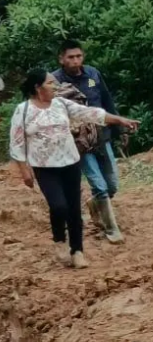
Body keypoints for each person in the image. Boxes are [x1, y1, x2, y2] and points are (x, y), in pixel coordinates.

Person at [10, 69, 138, 269]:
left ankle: (77, 251)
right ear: (38, 87)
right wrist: (25, 171)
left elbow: (90, 113)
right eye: (51, 83)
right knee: (58, 206)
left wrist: (119, 120)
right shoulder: (23, 110)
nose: (56, 86)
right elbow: (16, 142)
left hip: (70, 162)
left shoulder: (61, 104)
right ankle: (59, 240)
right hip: (44, 167)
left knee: (73, 209)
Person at [52, 40, 125, 243]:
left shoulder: (92, 74)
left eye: (78, 56)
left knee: (112, 185)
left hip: (102, 137)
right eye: (70, 57)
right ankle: (111, 229)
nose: (75, 61)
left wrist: (119, 127)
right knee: (99, 185)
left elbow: (105, 99)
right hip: (79, 142)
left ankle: (95, 204)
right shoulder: (54, 82)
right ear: (61, 59)